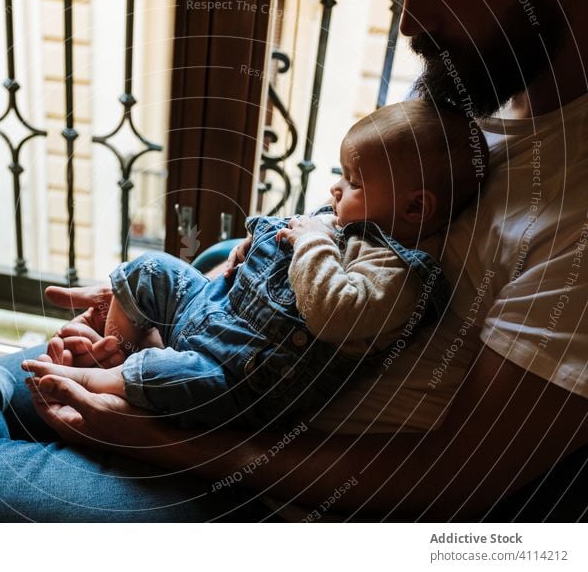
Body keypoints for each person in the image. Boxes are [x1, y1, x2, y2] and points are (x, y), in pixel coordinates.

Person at [0, 0, 588, 521]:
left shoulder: (574, 208)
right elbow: (336, 228)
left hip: (279, 484)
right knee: (7, 384)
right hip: (223, 370)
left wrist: (161, 440)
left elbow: (462, 479)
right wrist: (150, 332)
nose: (408, 19)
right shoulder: (474, 99)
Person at [40, 100, 482, 430]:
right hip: (212, 310)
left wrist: (311, 241)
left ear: (416, 208)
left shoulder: (397, 274)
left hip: (239, 377)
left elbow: (337, 312)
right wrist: (250, 246)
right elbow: (282, 232)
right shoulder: (342, 221)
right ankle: (117, 349)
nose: (335, 188)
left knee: (169, 376)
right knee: (151, 269)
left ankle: (98, 380)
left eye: (353, 182)